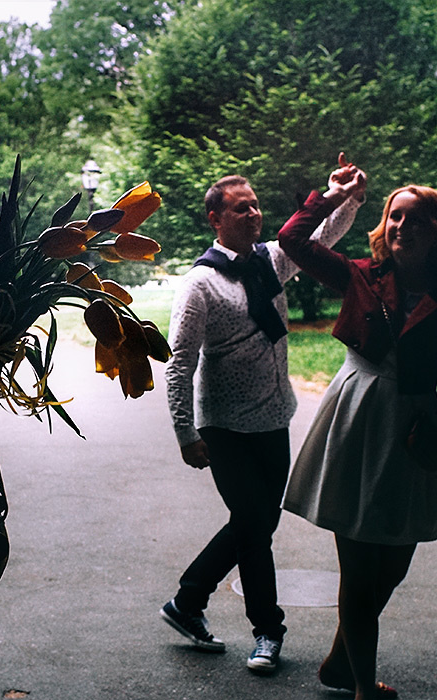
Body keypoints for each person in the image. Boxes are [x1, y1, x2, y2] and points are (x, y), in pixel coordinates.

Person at [277, 155, 437, 700]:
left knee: (394, 560)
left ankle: (340, 658)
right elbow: (292, 240)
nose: (401, 228)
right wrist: (333, 195)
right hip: (359, 418)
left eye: (415, 220)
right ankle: (360, 693)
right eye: (394, 218)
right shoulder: (361, 276)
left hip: (417, 431)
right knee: (358, 565)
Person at [162, 172, 363, 674]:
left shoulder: (272, 260)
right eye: (240, 209)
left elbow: (323, 237)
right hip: (224, 427)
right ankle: (267, 631)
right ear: (216, 219)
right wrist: (185, 431)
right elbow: (179, 363)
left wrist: (350, 196)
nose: (253, 214)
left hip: (274, 417)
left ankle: (187, 603)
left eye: (255, 206)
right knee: (254, 524)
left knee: (258, 523)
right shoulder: (199, 284)